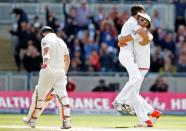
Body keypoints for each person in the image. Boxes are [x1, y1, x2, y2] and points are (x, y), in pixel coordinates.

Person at [112, 5, 160, 127]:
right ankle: (148, 115)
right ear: (139, 14)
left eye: (145, 19)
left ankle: (146, 116)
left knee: (134, 93)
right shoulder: (133, 24)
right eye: (142, 17)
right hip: (135, 61)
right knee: (134, 93)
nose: (142, 19)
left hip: (141, 64)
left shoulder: (139, 28)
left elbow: (143, 37)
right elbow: (124, 39)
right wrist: (121, 40)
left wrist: (121, 40)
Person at [22, 26, 72, 129]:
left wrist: (45, 63)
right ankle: (66, 122)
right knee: (63, 97)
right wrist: (64, 73)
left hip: (48, 69)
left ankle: (31, 121)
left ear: (43, 33)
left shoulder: (45, 39)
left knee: (39, 96)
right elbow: (67, 60)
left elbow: (46, 51)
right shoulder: (62, 41)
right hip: (60, 72)